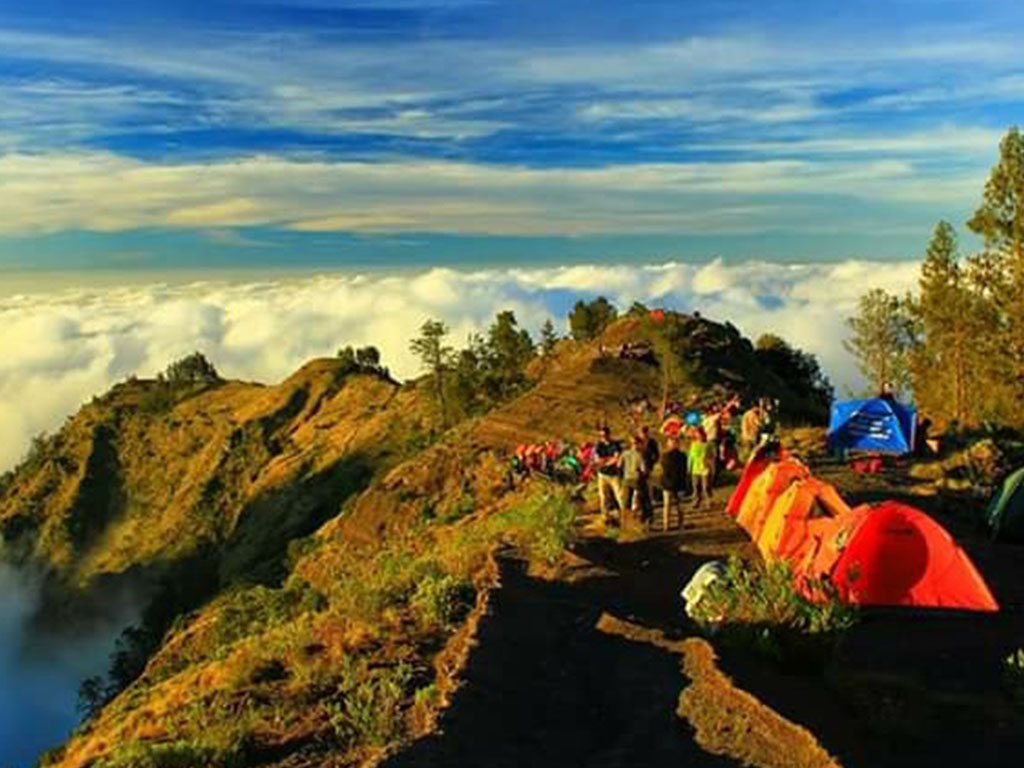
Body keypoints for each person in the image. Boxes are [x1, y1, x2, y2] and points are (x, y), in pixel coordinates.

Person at [595, 426, 626, 523]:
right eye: (601, 436)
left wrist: (606, 461)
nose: (603, 437)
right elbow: (597, 459)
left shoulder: (615, 445)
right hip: (602, 474)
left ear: (609, 434)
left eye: (605, 435)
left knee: (620, 496)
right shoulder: (599, 445)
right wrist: (609, 460)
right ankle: (605, 516)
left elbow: (616, 459)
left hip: (613, 475)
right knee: (603, 497)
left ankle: (624, 515)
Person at [660, 436, 687, 531]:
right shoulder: (665, 456)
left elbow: (684, 470)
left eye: (675, 442)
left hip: (678, 483)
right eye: (672, 442)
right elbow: (664, 470)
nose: (673, 444)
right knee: (667, 506)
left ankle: (680, 524)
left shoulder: (682, 456)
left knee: (679, 506)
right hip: (668, 484)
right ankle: (666, 525)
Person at [620, 436, 647, 519]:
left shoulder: (625, 453)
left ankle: (626, 518)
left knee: (626, 501)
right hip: (636, 479)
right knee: (637, 499)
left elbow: (619, 465)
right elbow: (643, 469)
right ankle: (635, 516)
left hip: (626, 478)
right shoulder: (639, 455)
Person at [689, 427, 713, 510]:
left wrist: (711, 466)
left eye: (699, 433)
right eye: (696, 433)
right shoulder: (693, 444)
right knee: (696, 486)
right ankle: (696, 501)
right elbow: (690, 457)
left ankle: (708, 501)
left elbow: (712, 457)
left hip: (705, 468)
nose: (698, 435)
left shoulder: (707, 445)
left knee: (705, 486)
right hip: (695, 468)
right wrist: (689, 467)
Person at [639, 425, 660, 521]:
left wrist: (651, 462)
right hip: (638, 470)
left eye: (644, 432)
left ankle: (650, 513)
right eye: (641, 432)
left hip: (648, 468)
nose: (643, 434)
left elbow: (656, 455)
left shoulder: (651, 442)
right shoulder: (638, 442)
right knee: (640, 492)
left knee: (648, 491)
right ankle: (643, 512)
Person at [701, 404, 722, 487]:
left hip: (704, 441)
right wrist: (731, 402)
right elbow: (722, 413)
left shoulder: (703, 420)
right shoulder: (712, 419)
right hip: (712, 441)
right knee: (714, 461)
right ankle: (713, 481)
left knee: (706, 461)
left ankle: (706, 479)